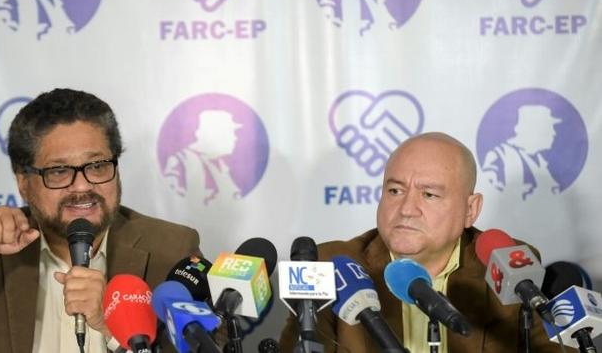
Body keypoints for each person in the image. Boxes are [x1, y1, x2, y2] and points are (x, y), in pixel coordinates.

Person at [0, 89, 201, 352]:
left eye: (98, 165)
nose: (83, 186)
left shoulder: (170, 249)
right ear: (23, 182)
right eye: (59, 171)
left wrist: (113, 327)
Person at [279, 132, 562, 352]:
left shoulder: (506, 265)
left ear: (470, 210)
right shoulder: (331, 265)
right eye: (394, 190)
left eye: (429, 195)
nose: (406, 209)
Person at [481, 105, 562, 200]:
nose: (554, 133)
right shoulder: (499, 156)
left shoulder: (539, 159)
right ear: (533, 129)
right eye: (549, 127)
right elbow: (492, 198)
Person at [163, 110, 242, 204]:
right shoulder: (180, 162)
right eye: (230, 132)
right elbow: (172, 201)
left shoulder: (219, 164)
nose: (235, 138)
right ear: (215, 134)